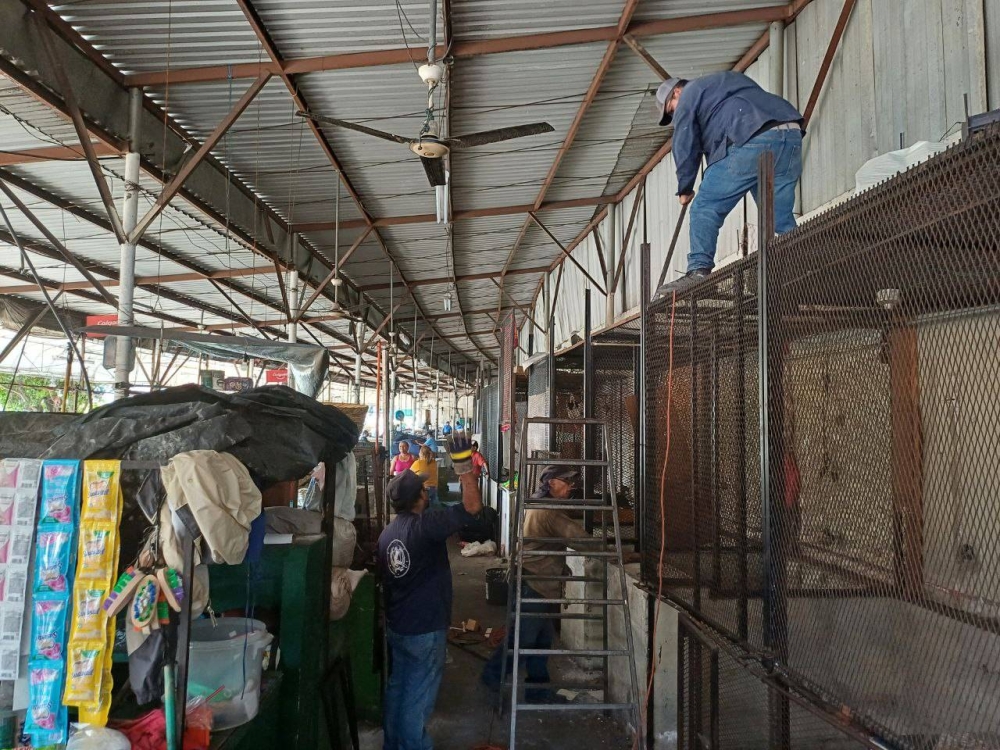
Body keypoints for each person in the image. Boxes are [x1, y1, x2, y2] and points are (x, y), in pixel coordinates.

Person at [655, 72, 804, 295]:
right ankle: (801, 270)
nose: (675, 113)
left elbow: (685, 141)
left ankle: (698, 271)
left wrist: (684, 188)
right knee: (779, 219)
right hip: (790, 133)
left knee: (705, 207)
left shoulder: (689, 94)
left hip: (751, 138)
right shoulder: (727, 81)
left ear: (676, 92)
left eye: (671, 108)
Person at [378, 433, 483, 750]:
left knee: (399, 688)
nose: (426, 490)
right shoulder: (425, 527)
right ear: (419, 498)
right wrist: (464, 467)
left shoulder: (387, 534)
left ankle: (393, 744)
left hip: (399, 626)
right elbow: (472, 508)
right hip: (424, 627)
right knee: (418, 696)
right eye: (423, 488)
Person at [481, 465, 597, 702]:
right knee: (522, 641)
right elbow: (582, 541)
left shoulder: (535, 502)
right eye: (567, 481)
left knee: (540, 641)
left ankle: (538, 691)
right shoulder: (548, 512)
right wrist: (617, 553)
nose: (572, 486)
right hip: (534, 584)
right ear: (552, 483)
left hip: (533, 582)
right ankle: (491, 679)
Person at [410, 445, 441, 509]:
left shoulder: (418, 463)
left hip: (424, 488)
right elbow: (436, 474)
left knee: (424, 508)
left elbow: (409, 473)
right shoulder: (434, 462)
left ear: (421, 453)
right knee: (434, 508)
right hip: (434, 488)